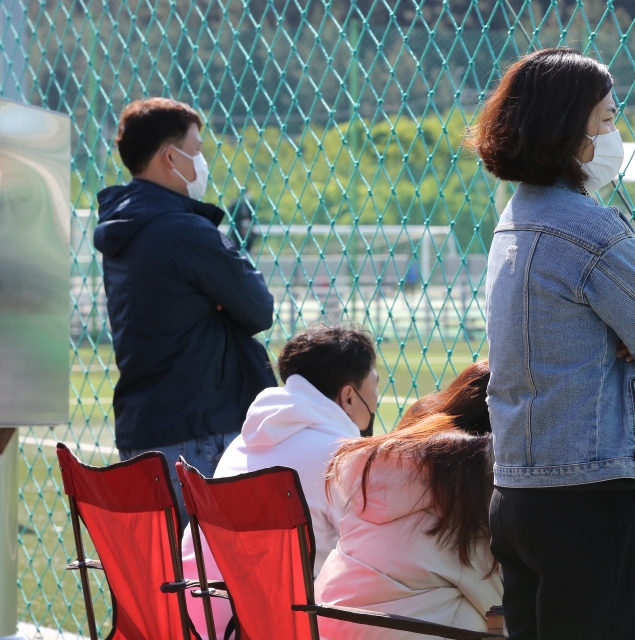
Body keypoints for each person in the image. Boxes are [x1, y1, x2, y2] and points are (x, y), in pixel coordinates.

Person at [466, 48, 635, 639]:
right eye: (608, 120)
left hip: (517, 486)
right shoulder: (589, 228)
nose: (615, 135)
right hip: (588, 491)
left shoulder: (514, 218)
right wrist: (627, 335)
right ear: (572, 131)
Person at [94, 98, 276, 523]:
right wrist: (221, 296)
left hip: (147, 426)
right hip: (199, 428)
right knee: (215, 578)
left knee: (170, 578)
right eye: (195, 149)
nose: (202, 160)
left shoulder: (125, 226)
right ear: (169, 157)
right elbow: (258, 307)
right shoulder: (182, 229)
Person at [181, 324, 380, 639]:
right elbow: (373, 561)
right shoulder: (345, 457)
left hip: (212, 620)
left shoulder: (243, 443)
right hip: (293, 626)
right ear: (349, 396)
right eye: (375, 384)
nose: (377, 396)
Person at [314, 361, 502, 639]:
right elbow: (496, 596)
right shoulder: (472, 476)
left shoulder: (383, 462)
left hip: (330, 620)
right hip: (407, 629)